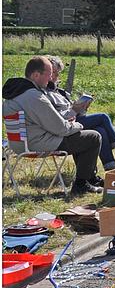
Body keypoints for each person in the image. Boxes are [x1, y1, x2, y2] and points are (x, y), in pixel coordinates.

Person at [2, 56, 103, 194]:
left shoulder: (14, 93)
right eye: (49, 75)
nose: (50, 79)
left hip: (17, 144)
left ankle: (88, 179)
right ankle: (82, 184)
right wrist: (78, 125)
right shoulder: (34, 96)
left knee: (80, 137)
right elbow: (60, 128)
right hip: (37, 144)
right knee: (93, 137)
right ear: (36, 75)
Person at [44, 56, 115, 171]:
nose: (56, 76)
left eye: (58, 72)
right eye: (54, 72)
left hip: (74, 121)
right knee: (103, 117)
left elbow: (77, 114)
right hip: (64, 127)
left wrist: (82, 108)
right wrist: (74, 109)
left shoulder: (60, 92)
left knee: (100, 131)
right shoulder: (44, 95)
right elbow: (57, 118)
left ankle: (111, 168)